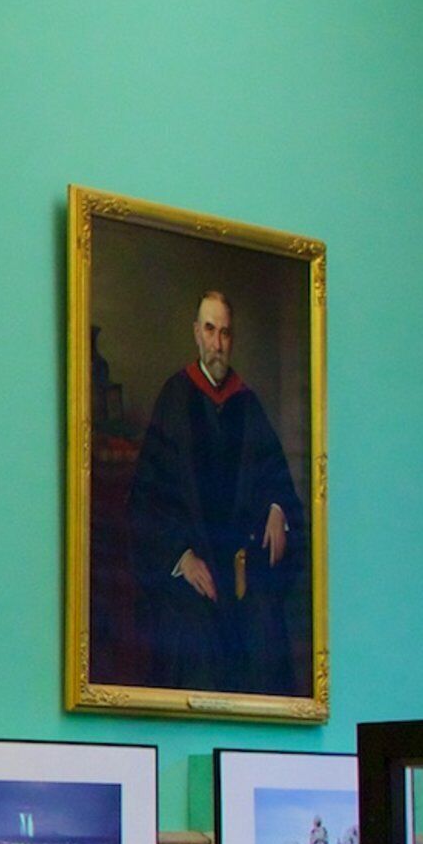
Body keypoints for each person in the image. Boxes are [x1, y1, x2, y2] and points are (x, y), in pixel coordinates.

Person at [127, 291, 307, 696]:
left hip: (242, 566)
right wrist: (181, 558)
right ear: (196, 333)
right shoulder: (174, 399)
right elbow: (147, 497)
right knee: (196, 635)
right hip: (192, 567)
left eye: (225, 333)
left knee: (264, 627)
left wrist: (278, 508)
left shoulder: (247, 404)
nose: (218, 342)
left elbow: (274, 473)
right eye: (210, 330)